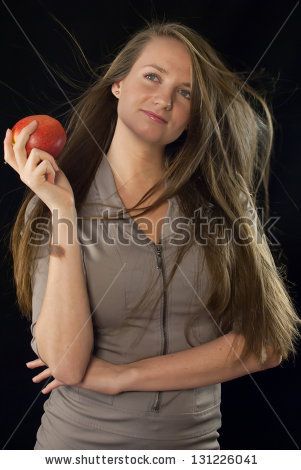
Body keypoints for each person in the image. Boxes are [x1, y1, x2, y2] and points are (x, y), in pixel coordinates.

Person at [4, 20, 300, 450]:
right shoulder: (55, 197)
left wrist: (128, 376)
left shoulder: (224, 200)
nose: (164, 99)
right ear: (118, 84)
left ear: (192, 115)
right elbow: (66, 365)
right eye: (152, 77)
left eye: (186, 92)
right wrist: (62, 210)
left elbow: (267, 341)